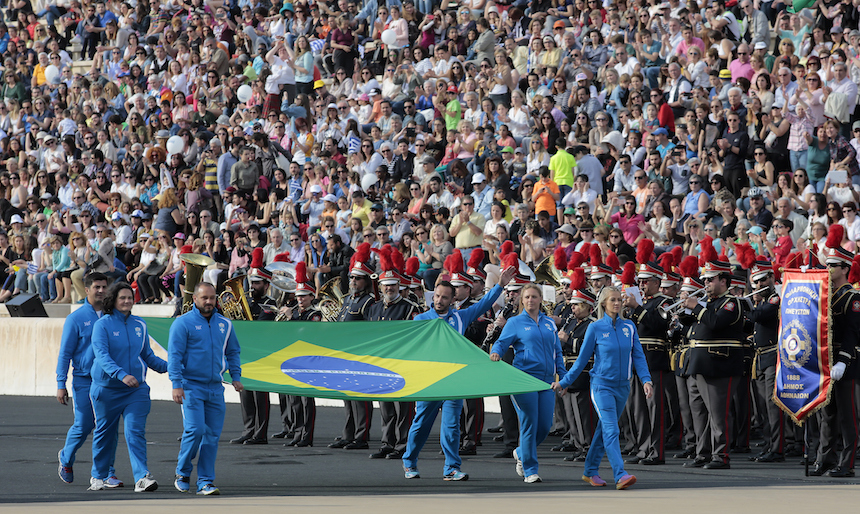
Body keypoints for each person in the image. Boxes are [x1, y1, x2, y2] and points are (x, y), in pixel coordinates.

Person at [403, 265, 516, 481]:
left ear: (452, 300)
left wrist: (500, 285)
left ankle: (451, 468)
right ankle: (409, 462)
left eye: (444, 298)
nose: (439, 300)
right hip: (430, 381)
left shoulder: (460, 317)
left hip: (454, 380)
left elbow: (483, 304)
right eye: (437, 296)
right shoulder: (421, 320)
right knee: (421, 424)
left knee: (452, 426)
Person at [551, 287, 652, 490]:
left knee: (603, 430)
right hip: (601, 385)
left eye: (619, 300)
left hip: (623, 386)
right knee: (612, 429)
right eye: (612, 300)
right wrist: (565, 382)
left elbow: (638, 356)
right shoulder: (595, 328)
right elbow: (581, 361)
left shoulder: (629, 326)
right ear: (603, 304)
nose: (617, 303)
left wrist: (646, 380)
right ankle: (620, 473)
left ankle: (590, 471)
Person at [87, 282, 167, 492]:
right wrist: (121, 375)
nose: (127, 301)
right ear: (113, 300)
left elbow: (147, 356)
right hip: (107, 389)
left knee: (135, 432)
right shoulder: (102, 325)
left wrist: (172, 367)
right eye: (122, 298)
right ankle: (99, 475)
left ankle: (142, 477)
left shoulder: (139, 324)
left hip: (136, 390)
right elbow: (102, 356)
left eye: (130, 298)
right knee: (105, 433)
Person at [169, 282, 243, 495]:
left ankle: (205, 481)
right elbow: (174, 356)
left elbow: (233, 352)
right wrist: (176, 384)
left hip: (215, 389)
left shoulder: (225, 324)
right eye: (205, 298)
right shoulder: (182, 324)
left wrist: (235, 376)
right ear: (195, 299)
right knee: (196, 430)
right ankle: (182, 471)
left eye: (212, 298)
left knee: (211, 436)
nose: (209, 302)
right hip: (191, 386)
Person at [490, 283, 565, 483]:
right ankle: (530, 469)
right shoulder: (515, 322)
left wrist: (563, 377)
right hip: (524, 379)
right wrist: (495, 352)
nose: (530, 300)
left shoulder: (549, 323)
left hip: (546, 382)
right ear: (522, 301)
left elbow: (557, 352)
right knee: (529, 423)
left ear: (540, 299)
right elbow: (500, 342)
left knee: (544, 425)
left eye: (534, 297)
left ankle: (522, 451)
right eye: (527, 297)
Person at [56, 273, 122, 487]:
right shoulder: (76, 318)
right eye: (97, 287)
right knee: (84, 424)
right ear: (87, 290)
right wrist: (60, 384)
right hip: (84, 380)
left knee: (108, 427)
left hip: (108, 381)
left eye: (104, 287)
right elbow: (65, 353)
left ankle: (107, 472)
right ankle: (66, 457)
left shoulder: (114, 315)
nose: (101, 291)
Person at [366, 250, 420, 459]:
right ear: (381, 287)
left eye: (393, 285)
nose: (389, 288)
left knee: (403, 409)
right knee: (386, 407)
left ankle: (403, 445)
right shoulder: (374, 308)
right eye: (386, 285)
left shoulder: (410, 308)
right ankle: (387, 443)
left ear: (399, 286)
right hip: (380, 364)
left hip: (401, 363)